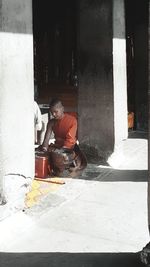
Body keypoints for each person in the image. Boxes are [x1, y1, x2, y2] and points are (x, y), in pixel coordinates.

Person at [36, 98, 87, 177]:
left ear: (62, 109)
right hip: (57, 147)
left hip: (69, 149)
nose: (54, 114)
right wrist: (44, 149)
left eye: (56, 112)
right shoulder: (51, 122)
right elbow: (46, 140)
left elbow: (69, 141)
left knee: (61, 157)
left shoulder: (72, 120)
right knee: (39, 152)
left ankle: (64, 167)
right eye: (52, 112)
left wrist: (58, 152)